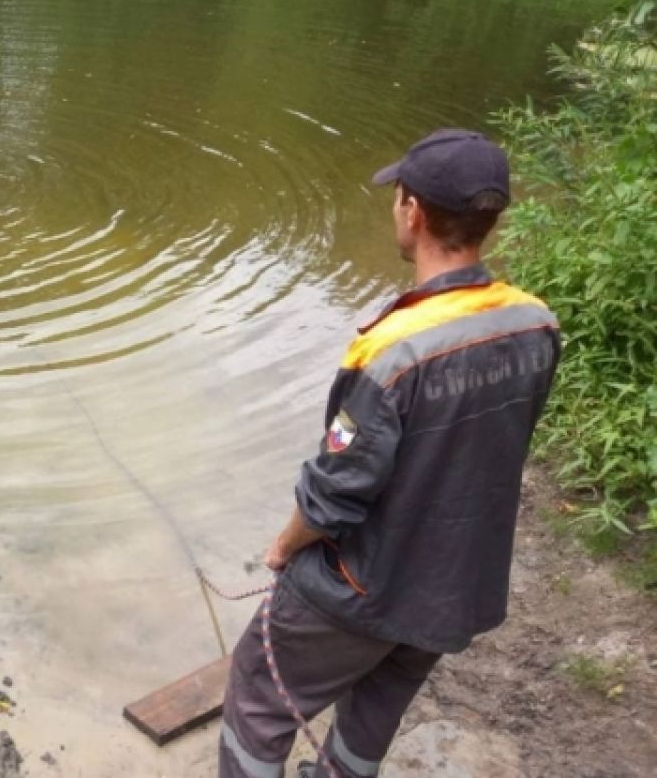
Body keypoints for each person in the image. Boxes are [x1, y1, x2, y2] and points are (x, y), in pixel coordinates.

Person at [219, 129, 561, 778]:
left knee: (258, 697)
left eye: (398, 196)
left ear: (413, 211)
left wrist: (285, 546)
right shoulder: (535, 323)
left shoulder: (392, 352)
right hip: (454, 587)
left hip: (364, 589)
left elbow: (335, 491)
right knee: (376, 704)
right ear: (490, 220)